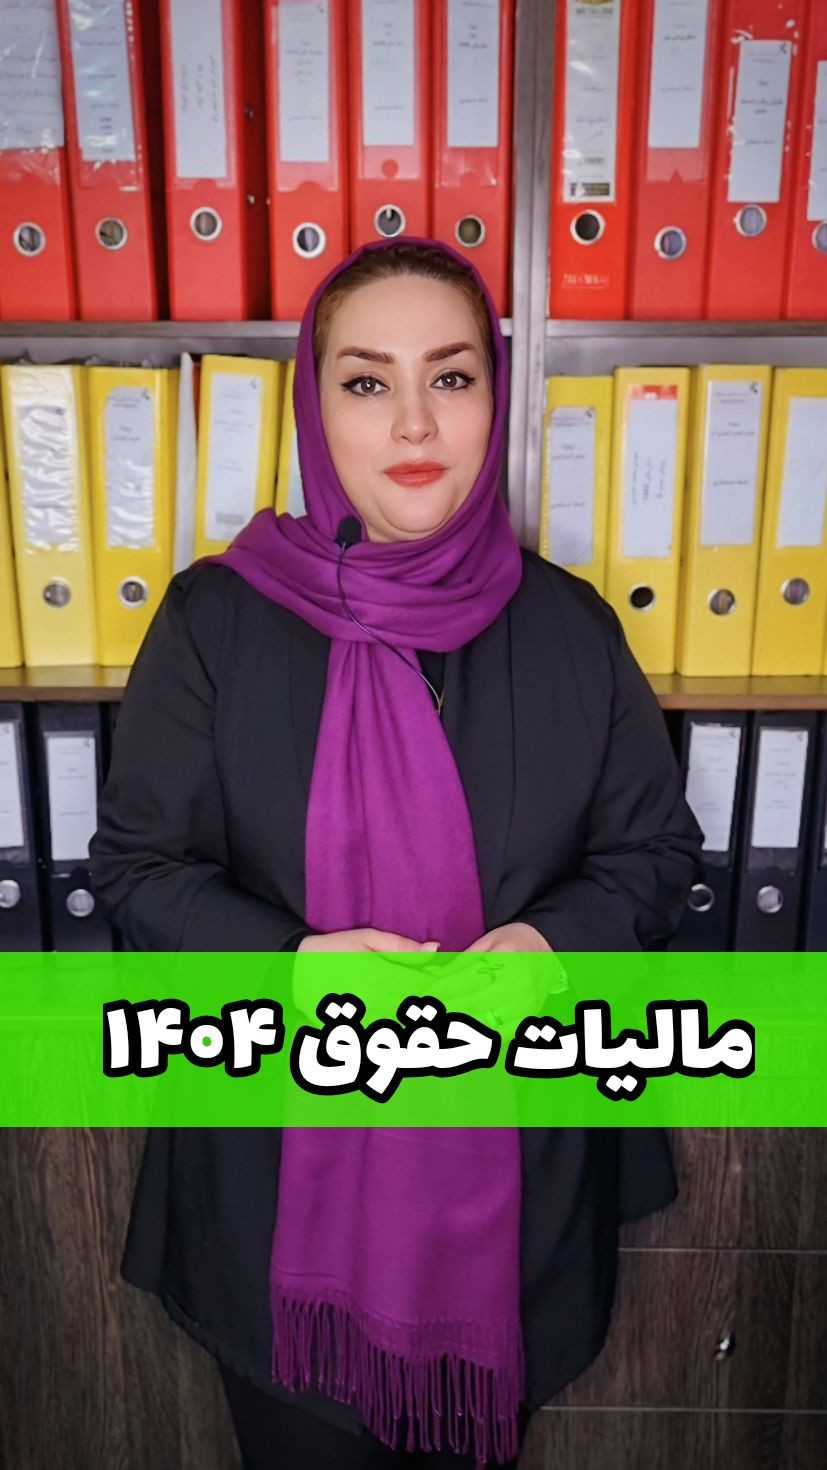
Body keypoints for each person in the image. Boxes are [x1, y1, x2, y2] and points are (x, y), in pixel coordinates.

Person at [89, 235, 705, 1469]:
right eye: (367, 381)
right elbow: (137, 871)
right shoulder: (216, 622)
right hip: (278, 1185)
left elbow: (652, 854)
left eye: (452, 377)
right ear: (315, 407)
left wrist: (550, 945)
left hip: (515, 1183)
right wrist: (293, 966)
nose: (414, 422)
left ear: (493, 398)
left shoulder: (569, 626)